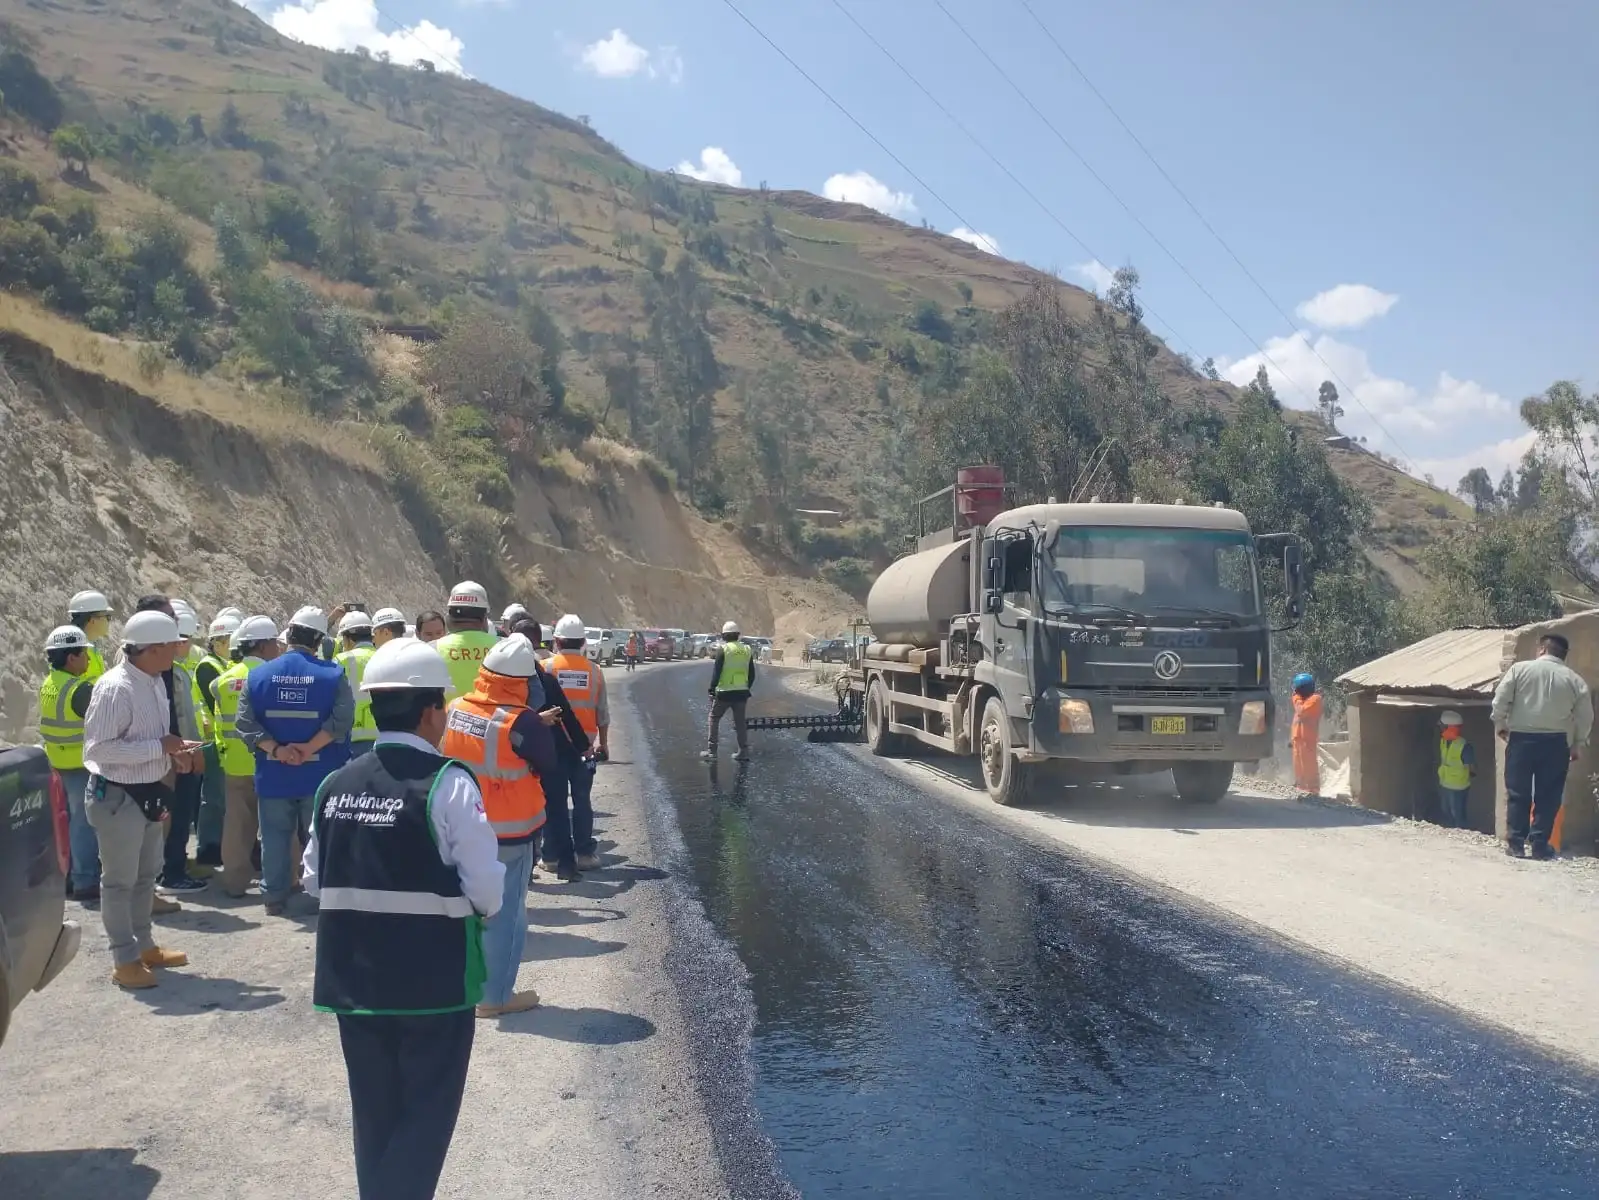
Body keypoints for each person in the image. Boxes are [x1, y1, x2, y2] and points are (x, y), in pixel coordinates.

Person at [300, 637, 504, 1200]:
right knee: (426, 1115)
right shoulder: (448, 783)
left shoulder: (334, 784)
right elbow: (486, 888)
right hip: (433, 985)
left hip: (352, 982)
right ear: (431, 710)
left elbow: (314, 879)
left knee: (374, 1115)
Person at [440, 633, 558, 1017]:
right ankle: (495, 998)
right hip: (508, 832)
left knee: (464, 909)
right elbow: (546, 762)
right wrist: (537, 726)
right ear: (522, 682)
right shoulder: (522, 721)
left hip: (458, 823)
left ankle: (461, 984)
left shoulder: (456, 707)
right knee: (505, 916)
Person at [81, 610, 196, 989]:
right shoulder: (115, 688)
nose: (178, 651)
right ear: (152, 649)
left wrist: (172, 754)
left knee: (146, 876)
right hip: (118, 797)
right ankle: (124, 959)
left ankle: (144, 946)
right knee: (119, 883)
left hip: (146, 792)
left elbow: (151, 740)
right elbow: (99, 750)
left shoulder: (155, 681)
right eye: (172, 645)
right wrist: (159, 748)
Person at [238, 605, 354, 915]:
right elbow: (342, 720)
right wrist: (307, 749)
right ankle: (321, 892)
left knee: (274, 836)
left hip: (274, 773)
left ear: (288, 634)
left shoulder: (257, 676)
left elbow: (245, 724)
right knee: (321, 836)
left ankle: (274, 896)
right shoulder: (332, 675)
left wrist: (279, 751)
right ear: (319, 639)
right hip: (320, 774)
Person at [1491, 633, 1594, 859]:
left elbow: (1500, 701)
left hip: (1521, 739)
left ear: (1542, 649)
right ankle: (1539, 845)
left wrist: (1500, 724)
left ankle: (1516, 844)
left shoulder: (1519, 670)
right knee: (1549, 795)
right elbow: (1585, 716)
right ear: (1564, 655)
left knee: (1518, 792)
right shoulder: (1575, 680)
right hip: (1556, 743)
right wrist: (1578, 743)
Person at [509, 618, 592, 882]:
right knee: (557, 809)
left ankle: (528, 867)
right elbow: (567, 716)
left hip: (519, 755)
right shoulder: (545, 679)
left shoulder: (505, 682)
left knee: (525, 812)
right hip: (552, 753)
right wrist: (584, 746)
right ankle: (566, 865)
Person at [213, 617, 279, 899]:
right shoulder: (271, 676)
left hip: (235, 763)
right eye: (274, 642)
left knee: (237, 825)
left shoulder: (223, 680)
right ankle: (281, 880)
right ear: (263, 646)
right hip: (268, 760)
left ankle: (234, 882)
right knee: (276, 824)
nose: (278, 648)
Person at [39, 625, 100, 901]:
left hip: (56, 764)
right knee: (83, 825)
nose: (88, 659)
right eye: (84, 654)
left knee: (63, 823)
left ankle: (67, 877)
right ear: (72, 658)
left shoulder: (49, 684)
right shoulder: (80, 689)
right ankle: (85, 880)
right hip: (79, 766)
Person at [547, 614, 608, 871]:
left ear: (557, 641)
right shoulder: (595, 671)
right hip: (585, 748)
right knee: (582, 799)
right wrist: (603, 744)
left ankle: (551, 857)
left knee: (554, 800)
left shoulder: (546, 667)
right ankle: (584, 854)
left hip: (553, 747)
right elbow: (602, 713)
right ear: (583, 642)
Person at [191, 612, 241, 867]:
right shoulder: (208, 667)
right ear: (219, 642)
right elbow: (217, 703)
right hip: (212, 741)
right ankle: (209, 848)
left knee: (226, 799)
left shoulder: (226, 665)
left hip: (225, 741)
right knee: (213, 798)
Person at [434, 581, 499, 702]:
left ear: (449, 618)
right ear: (484, 618)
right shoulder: (505, 648)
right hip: (495, 714)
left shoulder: (431, 650)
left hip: (448, 714)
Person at [703, 621, 755, 762]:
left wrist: (711, 690)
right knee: (740, 723)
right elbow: (752, 674)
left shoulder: (724, 650)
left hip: (724, 693)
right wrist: (745, 687)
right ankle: (743, 751)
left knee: (714, 718)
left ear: (724, 635)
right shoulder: (747, 650)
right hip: (741, 693)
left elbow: (717, 673)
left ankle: (712, 751)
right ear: (738, 635)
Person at [335, 611, 379, 758]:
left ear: (348, 639)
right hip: (382, 735)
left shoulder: (341, 660)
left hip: (351, 737)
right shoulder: (385, 655)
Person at [1436, 710, 1477, 829]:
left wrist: (1470, 774)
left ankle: (1461, 835)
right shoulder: (1443, 741)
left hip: (1458, 787)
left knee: (1458, 814)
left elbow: (1472, 767)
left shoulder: (1464, 746)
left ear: (1450, 728)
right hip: (1444, 783)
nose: (1441, 729)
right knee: (1446, 811)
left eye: (1442, 727)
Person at [67, 588, 114, 681]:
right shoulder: (77, 654)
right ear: (93, 620)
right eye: (107, 617)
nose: (109, 621)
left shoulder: (90, 649)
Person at [1289, 672, 1322, 795]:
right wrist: (1292, 738)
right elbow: (1297, 721)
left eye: (1297, 690)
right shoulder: (1302, 701)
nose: (1295, 692)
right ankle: (1301, 787)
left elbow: (1301, 712)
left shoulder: (1315, 699)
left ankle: (1313, 790)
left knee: (1309, 765)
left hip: (1307, 740)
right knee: (1298, 765)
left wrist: (1296, 698)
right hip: (1298, 740)